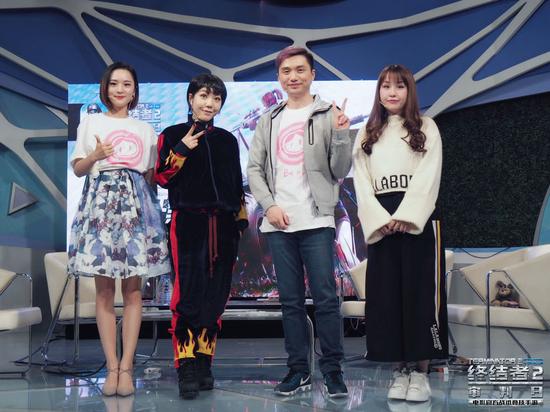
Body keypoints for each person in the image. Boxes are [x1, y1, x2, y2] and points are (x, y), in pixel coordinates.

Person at [247, 46, 352, 398]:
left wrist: (341, 134)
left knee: (325, 299)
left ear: (312, 74)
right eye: (286, 71)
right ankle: (298, 370)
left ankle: (333, 371)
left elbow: (340, 169)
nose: (293, 76)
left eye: (300, 70)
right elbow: (254, 169)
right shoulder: (269, 119)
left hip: (317, 219)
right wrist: (269, 206)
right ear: (279, 77)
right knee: (290, 302)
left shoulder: (328, 113)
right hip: (279, 223)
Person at [68, 62, 171, 397]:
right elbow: (79, 169)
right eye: (114, 83)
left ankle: (127, 367)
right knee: (103, 292)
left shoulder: (145, 129)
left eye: (127, 84)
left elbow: (151, 176)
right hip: (100, 204)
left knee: (133, 291)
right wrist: (96, 154)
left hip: (137, 206)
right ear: (105, 87)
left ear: (134, 90)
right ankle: (111, 366)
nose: (120, 89)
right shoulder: (91, 122)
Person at [352, 64, 448, 403]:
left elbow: (429, 174)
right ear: (378, 92)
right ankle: (399, 372)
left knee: (420, 296)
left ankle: (420, 374)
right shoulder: (367, 132)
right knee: (387, 298)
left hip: (418, 220)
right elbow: (361, 181)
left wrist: (407, 216)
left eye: (399, 86)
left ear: (410, 91)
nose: (392, 92)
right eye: (386, 86)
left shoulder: (427, 127)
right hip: (382, 221)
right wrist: (381, 218)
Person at [155, 73, 247, 400]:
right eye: (204, 96)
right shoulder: (171, 135)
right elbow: (161, 177)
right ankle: (186, 365)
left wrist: (239, 223)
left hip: (224, 225)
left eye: (216, 98)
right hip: (188, 222)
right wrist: (182, 149)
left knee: (216, 296)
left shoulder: (227, 140)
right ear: (191, 98)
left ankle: (205, 361)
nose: (210, 103)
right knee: (187, 296)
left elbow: (236, 184)